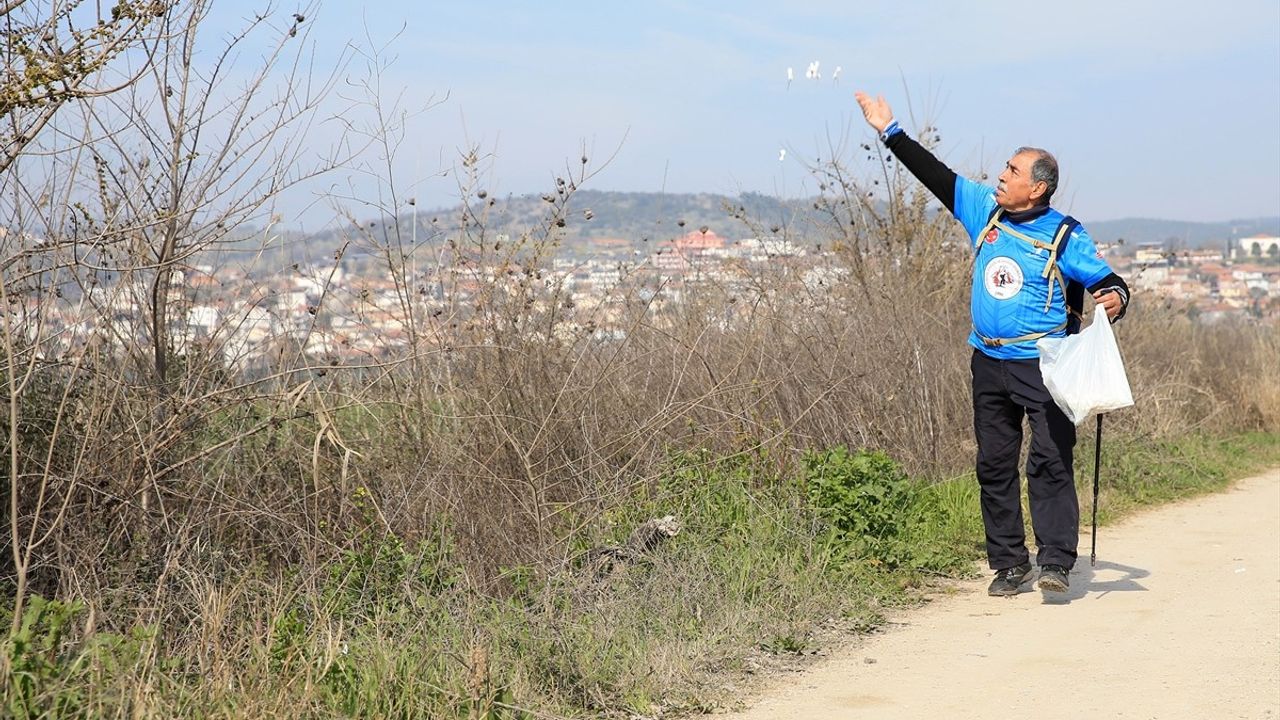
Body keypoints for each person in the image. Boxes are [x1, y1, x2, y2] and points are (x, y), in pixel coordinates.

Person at [853, 91, 1130, 596]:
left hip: (1044, 365)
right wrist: (889, 130)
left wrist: (1113, 300)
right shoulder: (985, 211)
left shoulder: (1064, 234)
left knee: (1048, 460)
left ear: (1037, 188)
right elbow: (934, 175)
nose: (1000, 175)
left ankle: (1054, 562)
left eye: (1012, 171)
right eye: (1004, 168)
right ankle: (1008, 563)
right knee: (993, 463)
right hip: (988, 359)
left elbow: (1108, 281)